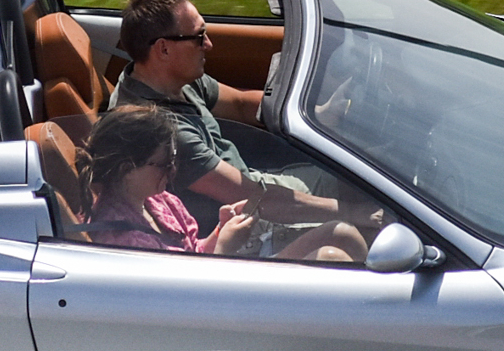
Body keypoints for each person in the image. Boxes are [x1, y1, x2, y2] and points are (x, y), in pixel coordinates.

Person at [109, 0, 379, 241]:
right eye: (199, 36)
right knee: (366, 230)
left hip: (254, 186)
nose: (209, 44)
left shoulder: (167, 79)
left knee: (366, 179)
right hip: (242, 225)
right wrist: (353, 213)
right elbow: (253, 198)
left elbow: (239, 103)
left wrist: (319, 114)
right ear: (164, 49)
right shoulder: (161, 130)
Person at [78, 105, 358, 263]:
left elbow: (192, 251)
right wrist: (225, 245)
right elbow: (182, 301)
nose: (174, 168)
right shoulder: (122, 241)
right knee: (332, 256)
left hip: (217, 274)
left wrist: (220, 231)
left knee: (343, 233)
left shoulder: (157, 200)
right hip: (218, 299)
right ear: (128, 169)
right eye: (164, 163)